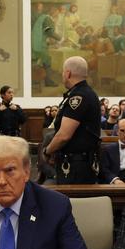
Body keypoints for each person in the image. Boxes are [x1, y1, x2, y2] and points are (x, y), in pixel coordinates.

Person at [43, 56, 101, 184]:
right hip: (77, 162)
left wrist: (47, 151)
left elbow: (64, 135)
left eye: (63, 72)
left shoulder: (79, 96)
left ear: (68, 73)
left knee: (73, 202)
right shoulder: (85, 93)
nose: (62, 75)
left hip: (76, 166)